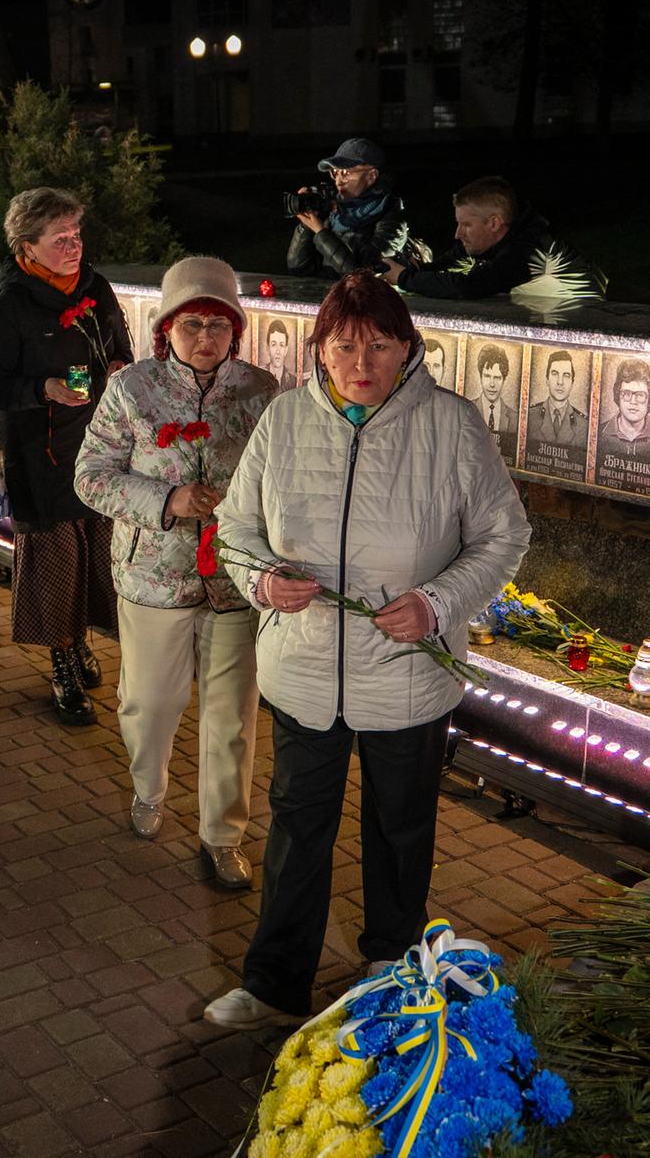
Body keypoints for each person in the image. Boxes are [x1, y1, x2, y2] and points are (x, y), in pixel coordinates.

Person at [201, 272, 530, 1030]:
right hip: (306, 671)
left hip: (408, 678)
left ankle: (392, 969)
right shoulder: (285, 421)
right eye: (344, 345)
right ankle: (275, 983)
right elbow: (236, 526)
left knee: (401, 828)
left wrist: (437, 602)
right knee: (296, 828)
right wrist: (262, 581)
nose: (362, 363)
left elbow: (503, 534)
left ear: (409, 348)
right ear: (318, 349)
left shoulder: (450, 425)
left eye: (380, 345)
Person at [75, 256, 277, 887]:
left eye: (220, 325)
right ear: (167, 329)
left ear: (236, 331)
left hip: (234, 583)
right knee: (149, 702)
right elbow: (90, 477)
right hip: (153, 577)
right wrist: (166, 501)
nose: (206, 338)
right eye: (192, 325)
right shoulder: (132, 390)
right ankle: (149, 787)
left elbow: (281, 481)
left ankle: (222, 836)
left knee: (232, 719)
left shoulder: (262, 391)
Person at [0, 187, 133, 726]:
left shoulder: (96, 286)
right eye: (59, 239)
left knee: (95, 551)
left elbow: (121, 348)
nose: (73, 246)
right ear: (27, 247)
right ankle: (62, 659)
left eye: (76, 235)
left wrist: (117, 369)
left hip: (99, 446)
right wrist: (42, 387)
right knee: (57, 558)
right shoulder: (10, 305)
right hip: (40, 453)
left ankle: (82, 640)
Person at [381, 176, 605, 302]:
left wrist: (404, 277)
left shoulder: (532, 249)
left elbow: (469, 287)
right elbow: (440, 269)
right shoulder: (487, 242)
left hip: (588, 328)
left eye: (466, 225)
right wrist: (412, 269)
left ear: (494, 223)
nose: (457, 234)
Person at [286, 137, 410, 279]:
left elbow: (363, 275)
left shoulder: (391, 218)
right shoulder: (334, 211)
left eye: (345, 173)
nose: (338, 182)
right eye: (335, 173)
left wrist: (321, 232)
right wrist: (307, 225)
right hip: (331, 299)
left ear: (372, 176)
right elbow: (298, 269)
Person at [599, 359, 650, 459]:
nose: (633, 401)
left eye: (640, 395)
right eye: (626, 393)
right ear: (618, 395)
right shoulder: (599, 433)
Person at [525, 350, 588, 448]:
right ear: (547, 380)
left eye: (566, 376)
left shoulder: (583, 425)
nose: (560, 382)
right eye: (554, 374)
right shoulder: (529, 416)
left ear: (572, 383)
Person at [469, 343, 516, 461]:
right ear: (480, 377)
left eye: (497, 378)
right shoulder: (466, 410)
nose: (492, 384)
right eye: (487, 376)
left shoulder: (514, 418)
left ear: (504, 379)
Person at [263, 318, 297, 393]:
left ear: (286, 350)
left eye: (281, 345)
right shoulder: (258, 376)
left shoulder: (294, 381)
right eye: (274, 344)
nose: (278, 351)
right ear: (268, 348)